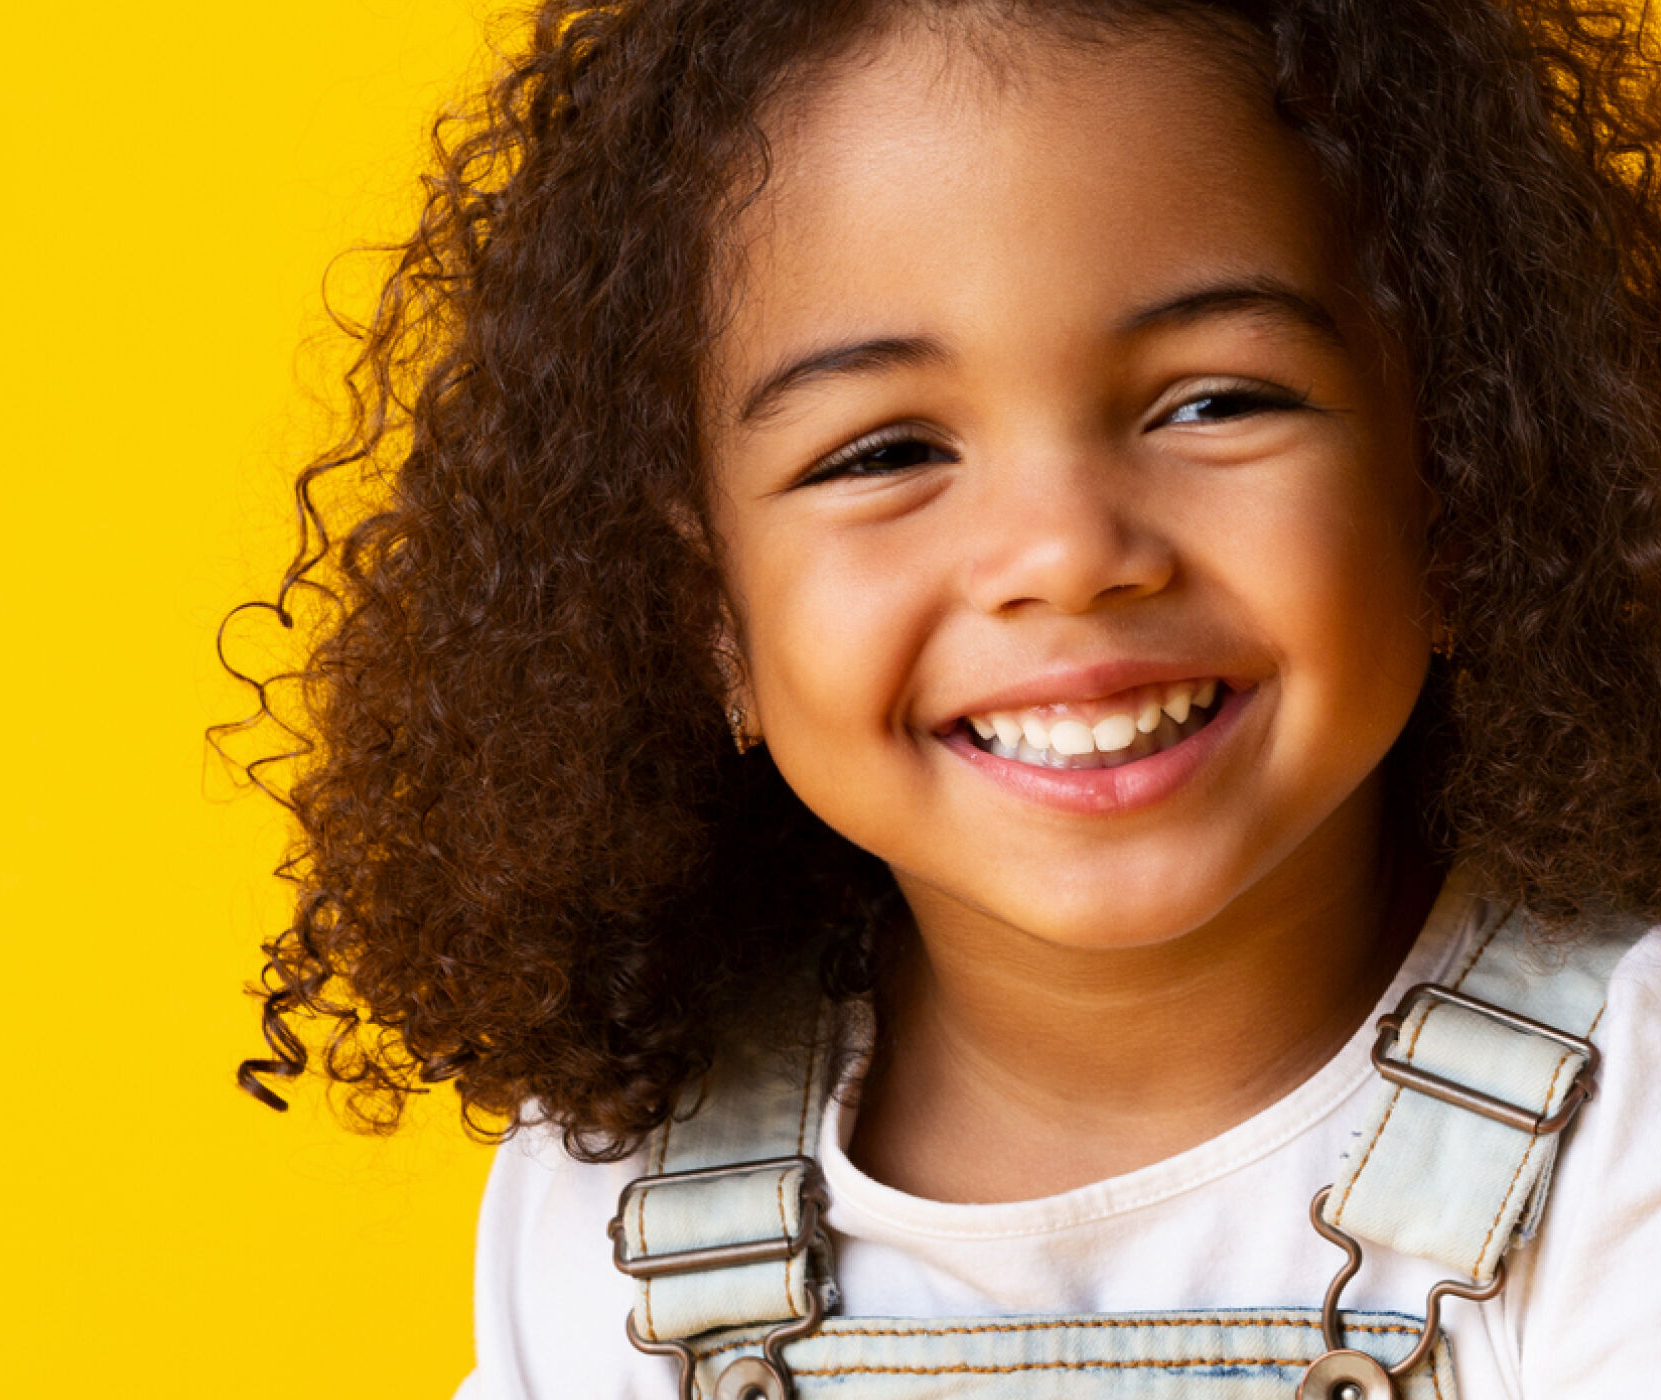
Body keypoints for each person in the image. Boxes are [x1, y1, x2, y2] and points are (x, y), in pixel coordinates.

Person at [215, 1, 1661, 1396]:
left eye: (1216, 400)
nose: (1066, 556)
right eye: (883, 451)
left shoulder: (1627, 1113)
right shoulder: (621, 1199)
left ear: (1462, 473)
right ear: (705, 609)